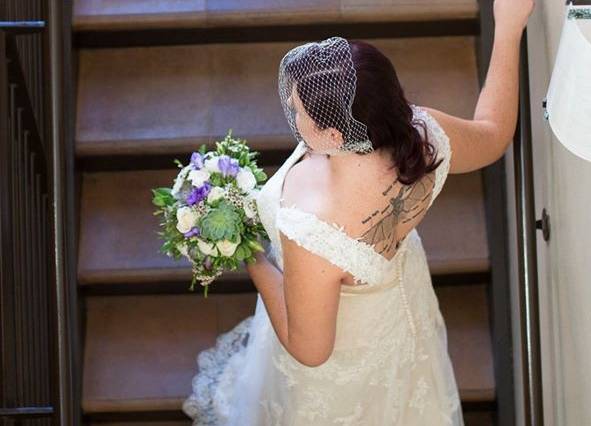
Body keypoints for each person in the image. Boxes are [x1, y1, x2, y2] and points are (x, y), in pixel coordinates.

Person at [183, 1, 534, 424]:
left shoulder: (313, 226)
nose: (292, 114)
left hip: (337, 369)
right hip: (394, 316)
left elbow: (310, 350)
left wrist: (251, 253)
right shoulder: (423, 135)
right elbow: (493, 136)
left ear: (334, 133)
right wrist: (508, 30)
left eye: (298, 110)